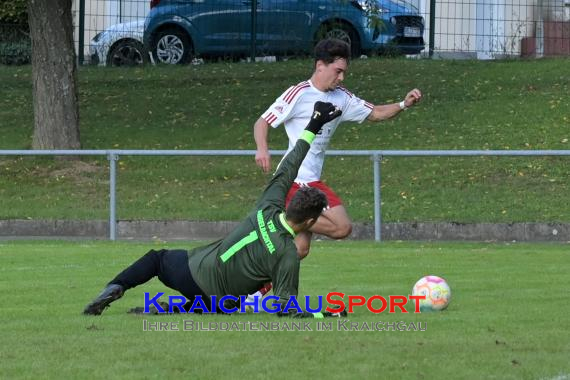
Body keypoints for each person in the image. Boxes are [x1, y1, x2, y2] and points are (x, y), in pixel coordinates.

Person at [83, 102, 346, 318]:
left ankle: (117, 286)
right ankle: (170, 309)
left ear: (292, 203)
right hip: (221, 302)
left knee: (157, 259)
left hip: (191, 272)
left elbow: (291, 163)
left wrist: (314, 123)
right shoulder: (288, 253)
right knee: (219, 302)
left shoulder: (268, 205)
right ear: (311, 221)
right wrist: (324, 315)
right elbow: (286, 309)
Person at [254, 38, 422, 262]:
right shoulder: (298, 93)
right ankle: (280, 220)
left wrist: (403, 104)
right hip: (294, 179)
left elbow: (376, 113)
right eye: (338, 71)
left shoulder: (342, 97)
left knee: (299, 250)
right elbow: (262, 122)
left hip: (311, 179)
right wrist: (262, 149)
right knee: (342, 227)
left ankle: (252, 290)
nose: (341, 77)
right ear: (320, 65)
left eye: (344, 72)